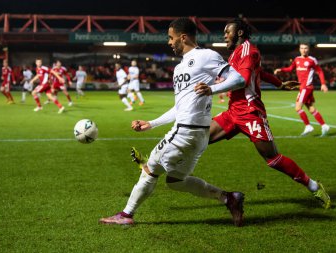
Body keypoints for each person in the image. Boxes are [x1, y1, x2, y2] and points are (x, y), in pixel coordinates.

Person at [99, 17, 246, 227]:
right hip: (197, 134)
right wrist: (152, 123)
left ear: (183, 37)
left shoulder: (206, 56)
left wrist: (211, 89)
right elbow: (179, 107)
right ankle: (229, 198)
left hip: (187, 132)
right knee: (176, 182)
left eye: (171, 38)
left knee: (149, 169)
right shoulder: (179, 68)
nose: (169, 42)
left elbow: (239, 79)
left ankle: (126, 215)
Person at [193, 18, 331, 209]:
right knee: (198, 138)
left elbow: (243, 80)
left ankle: (314, 186)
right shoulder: (236, 54)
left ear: (239, 33)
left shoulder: (250, 51)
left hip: (251, 114)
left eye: (228, 32)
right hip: (234, 112)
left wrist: (211, 89)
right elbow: (261, 73)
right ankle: (154, 167)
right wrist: (279, 83)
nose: (224, 35)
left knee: (273, 159)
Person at [274, 43, 330, 136]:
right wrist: (281, 69)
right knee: (311, 109)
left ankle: (308, 126)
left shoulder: (312, 60)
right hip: (302, 87)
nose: (303, 50)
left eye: (306, 48)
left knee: (298, 107)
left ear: (308, 49)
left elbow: (319, 71)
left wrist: (323, 84)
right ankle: (324, 126)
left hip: (306, 87)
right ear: (299, 49)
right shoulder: (297, 59)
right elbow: (290, 68)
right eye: (302, 48)